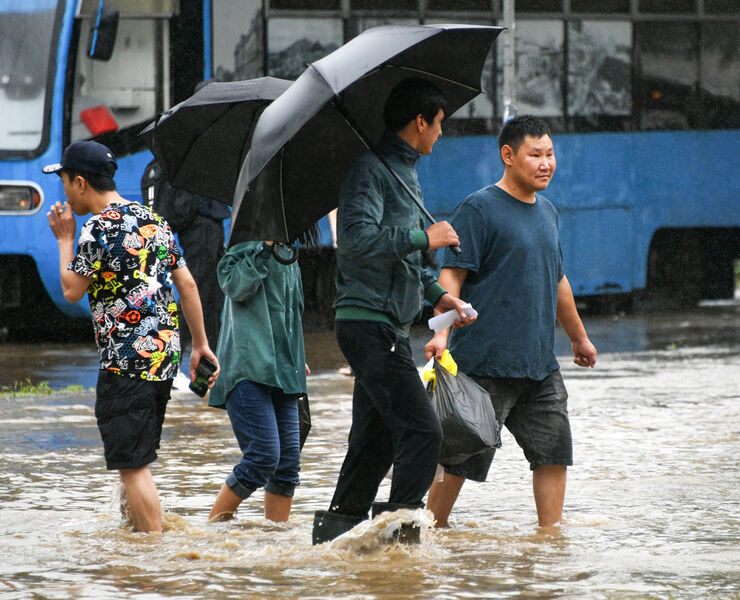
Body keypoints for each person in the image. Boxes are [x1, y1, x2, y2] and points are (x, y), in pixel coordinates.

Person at [312, 78, 476, 544]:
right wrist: (427, 238)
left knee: (374, 440)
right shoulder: (369, 170)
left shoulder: (404, 171)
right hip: (367, 323)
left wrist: (440, 297)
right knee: (424, 433)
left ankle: (336, 538)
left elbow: (401, 260)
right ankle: (400, 542)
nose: (441, 133)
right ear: (420, 122)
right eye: (439, 124)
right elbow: (358, 243)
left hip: (387, 322)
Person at [425, 115, 597, 529]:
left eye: (550, 154)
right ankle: (428, 533)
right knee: (459, 460)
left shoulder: (549, 213)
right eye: (535, 154)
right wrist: (442, 333)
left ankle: (550, 541)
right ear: (508, 155)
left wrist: (579, 338)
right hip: (485, 366)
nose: (546, 164)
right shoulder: (479, 209)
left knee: (554, 454)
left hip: (540, 367)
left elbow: (557, 281)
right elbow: (452, 277)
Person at [44, 140, 219, 533]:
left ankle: (150, 559)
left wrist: (63, 239)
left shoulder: (97, 228)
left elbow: (72, 290)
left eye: (65, 183)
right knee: (135, 460)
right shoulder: (153, 220)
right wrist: (202, 344)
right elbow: (188, 285)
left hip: (125, 362)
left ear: (80, 183)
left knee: (133, 466)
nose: (65, 192)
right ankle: (134, 543)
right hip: (163, 359)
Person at [207, 239, 309, 523]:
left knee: (288, 466)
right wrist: (263, 250)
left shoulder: (289, 254)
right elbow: (236, 286)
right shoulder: (243, 248)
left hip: (284, 372)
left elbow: (291, 312)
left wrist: (297, 356)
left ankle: (276, 542)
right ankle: (212, 535)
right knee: (263, 457)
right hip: (247, 367)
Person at [141, 159, 231, 357]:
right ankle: (168, 358)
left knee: (212, 297)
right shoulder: (196, 143)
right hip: (201, 221)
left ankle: (213, 362)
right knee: (197, 293)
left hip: (206, 221)